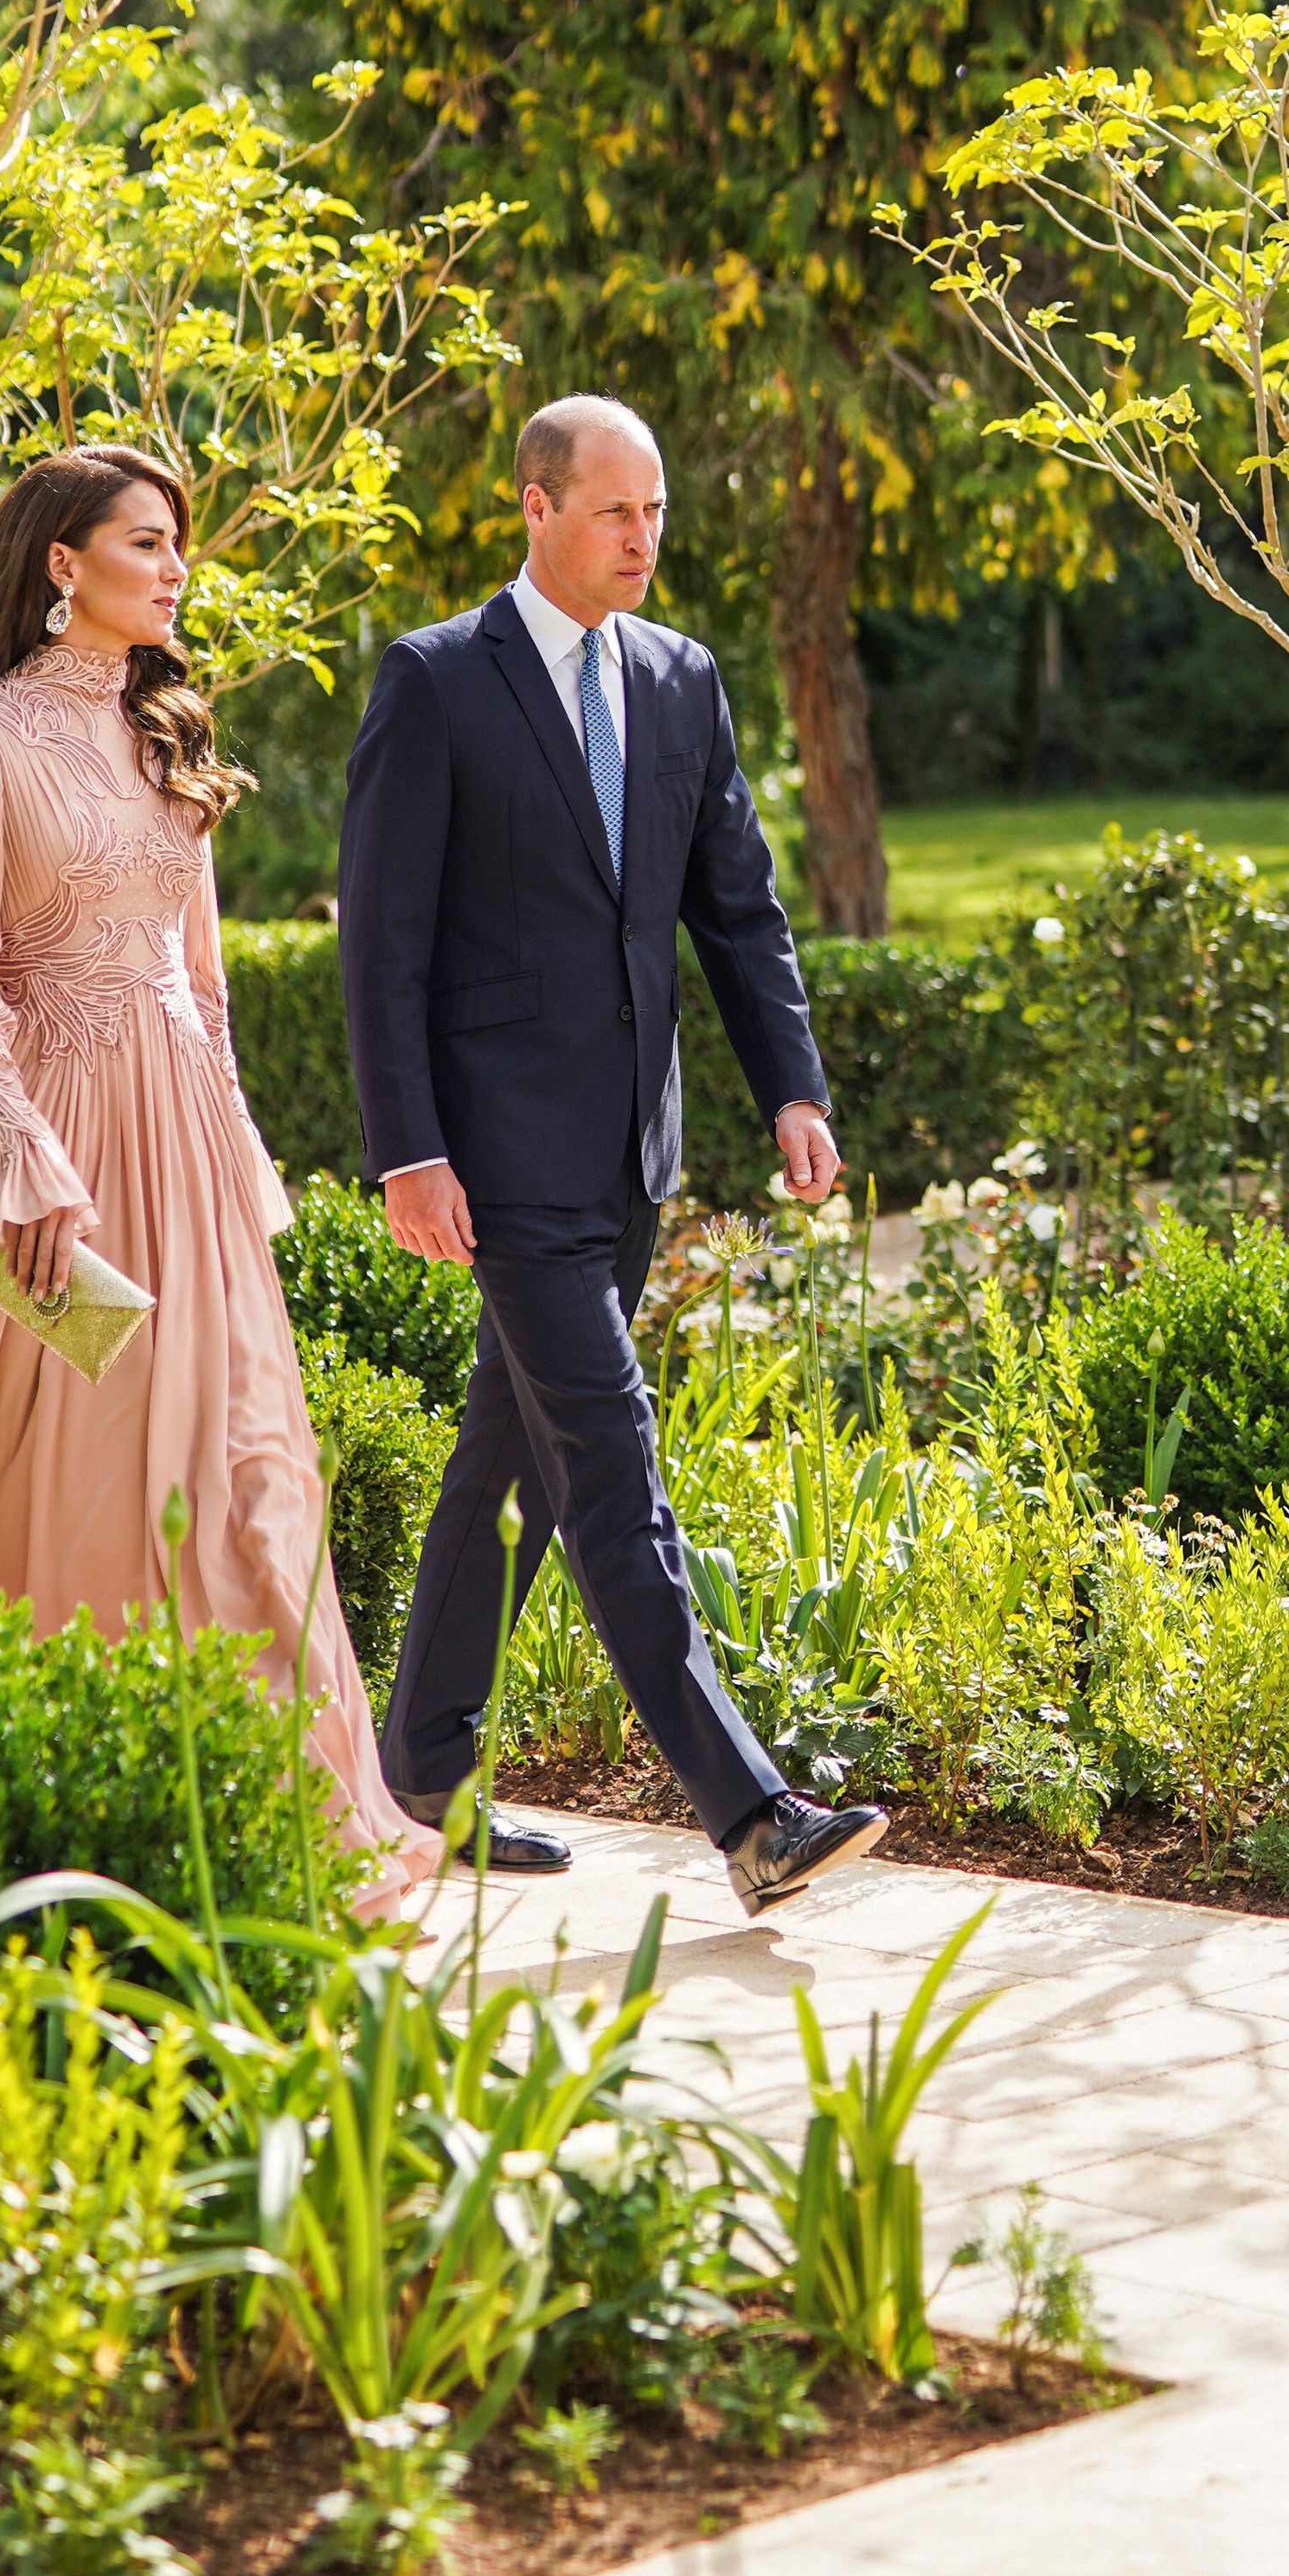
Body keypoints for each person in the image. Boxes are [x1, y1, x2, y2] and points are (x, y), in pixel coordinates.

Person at [0, 445, 435, 1905]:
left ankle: (268, 1812)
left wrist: (237, 1154)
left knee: (246, 1473)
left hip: (186, 1160)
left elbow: (204, 978)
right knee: (87, 1475)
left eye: (177, 546)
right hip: (55, 1163)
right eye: (147, 543)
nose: (176, 569)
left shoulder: (170, 726)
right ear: (62, 565)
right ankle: (74, 1808)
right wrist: (28, 1159)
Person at [337, 394, 889, 1915]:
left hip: (631, 1148)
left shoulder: (683, 678)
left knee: (505, 1458)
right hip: (496, 1160)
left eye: (656, 513)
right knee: (607, 1462)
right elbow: (381, 946)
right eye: (613, 513)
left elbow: (738, 905)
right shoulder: (438, 682)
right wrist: (410, 1153)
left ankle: (424, 1772)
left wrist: (791, 1086)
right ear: (535, 507)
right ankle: (751, 1811)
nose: (643, 540)